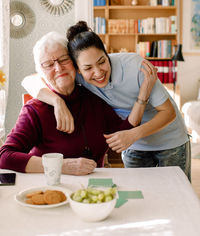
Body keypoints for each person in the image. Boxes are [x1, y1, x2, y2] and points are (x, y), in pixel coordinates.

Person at [22, 22, 191, 181]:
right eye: (88, 68)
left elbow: (169, 113)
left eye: (102, 61)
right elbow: (29, 80)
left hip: (168, 140)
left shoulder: (135, 67)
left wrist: (134, 133)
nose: (98, 73)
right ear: (77, 68)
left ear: (106, 52)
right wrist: (57, 101)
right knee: (141, 198)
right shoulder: (79, 76)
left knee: (176, 196)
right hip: (133, 143)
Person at [0, 31, 155, 175]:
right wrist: (62, 166)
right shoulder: (35, 110)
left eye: (64, 59)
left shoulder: (94, 98)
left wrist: (143, 96)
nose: (58, 68)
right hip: (51, 188)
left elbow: (123, 132)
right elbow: (5, 157)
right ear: (41, 72)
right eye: (48, 65)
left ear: (74, 62)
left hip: (93, 190)